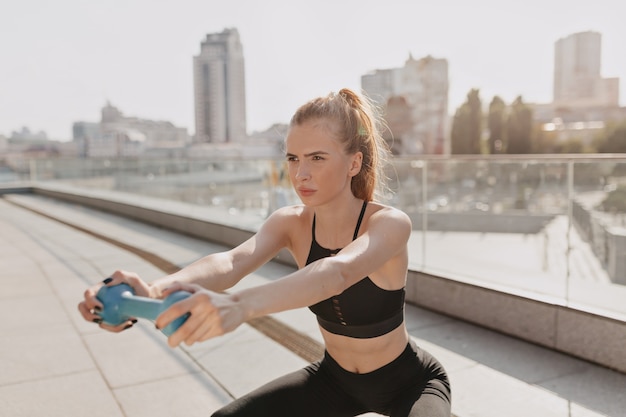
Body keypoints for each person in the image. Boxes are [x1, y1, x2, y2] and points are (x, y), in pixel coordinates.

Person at [78, 88, 451, 417]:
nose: (301, 174)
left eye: (317, 158)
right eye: (293, 159)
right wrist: (153, 290)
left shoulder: (389, 224)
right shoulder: (290, 223)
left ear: (354, 162)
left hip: (408, 382)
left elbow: (337, 272)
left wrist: (240, 305)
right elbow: (231, 262)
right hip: (334, 380)